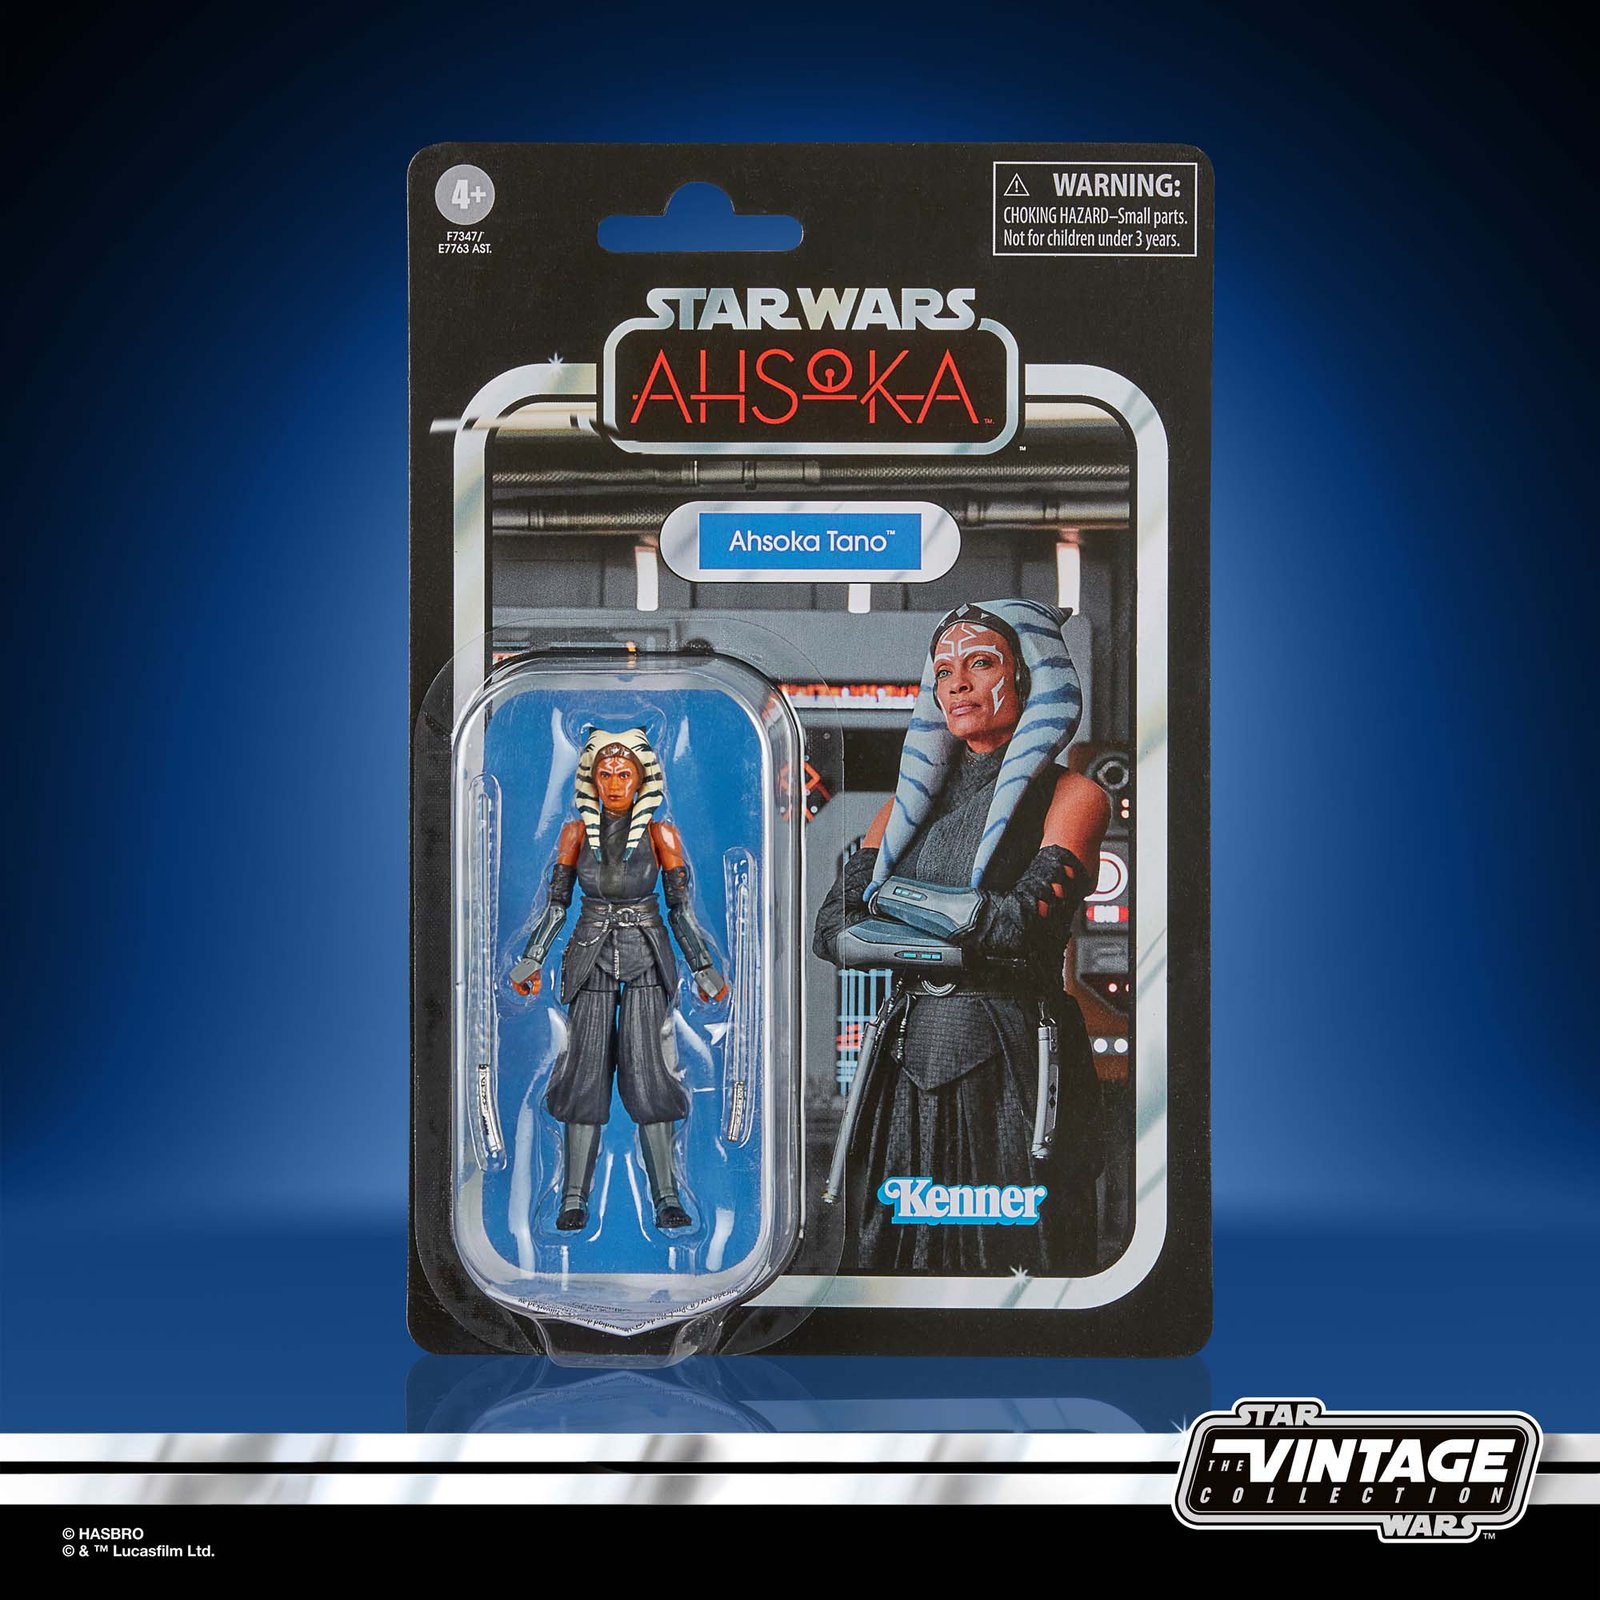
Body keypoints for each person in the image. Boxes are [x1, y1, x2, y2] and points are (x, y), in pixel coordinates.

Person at [814, 600, 1109, 1275]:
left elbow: (1020, 926)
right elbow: (835, 933)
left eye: (980, 664)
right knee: (893, 1260)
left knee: (1015, 1258)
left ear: (1028, 676)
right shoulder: (902, 808)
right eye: (943, 671)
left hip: (1016, 1057)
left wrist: (886, 899)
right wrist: (963, 925)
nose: (958, 685)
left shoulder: (1074, 797)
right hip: (908, 1054)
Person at [509, 726, 726, 1235]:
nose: (613, 783)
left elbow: (681, 911)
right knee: (582, 1074)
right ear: (591, 779)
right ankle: (573, 1197)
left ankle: (667, 1196)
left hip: (647, 955)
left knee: (651, 1074)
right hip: (589, 956)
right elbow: (555, 907)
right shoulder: (574, 835)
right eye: (604, 774)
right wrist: (531, 960)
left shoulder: (661, 836)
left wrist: (703, 967)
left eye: (623, 774)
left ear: (641, 779)